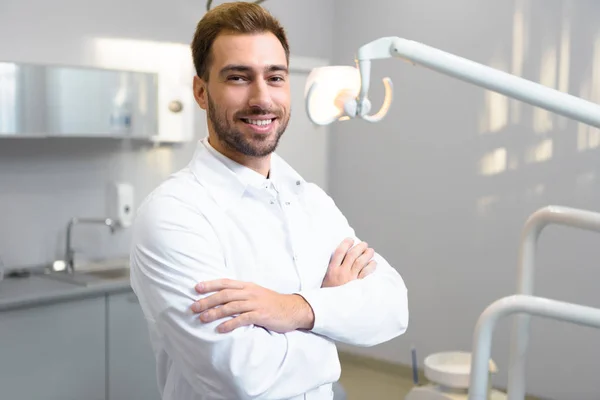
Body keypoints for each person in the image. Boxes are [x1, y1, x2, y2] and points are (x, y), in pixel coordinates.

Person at [129, 2, 409, 399]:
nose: (262, 98)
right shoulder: (173, 214)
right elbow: (243, 374)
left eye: (275, 77)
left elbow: (393, 307)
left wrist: (294, 309)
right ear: (201, 91)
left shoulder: (311, 201)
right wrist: (334, 316)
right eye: (238, 77)